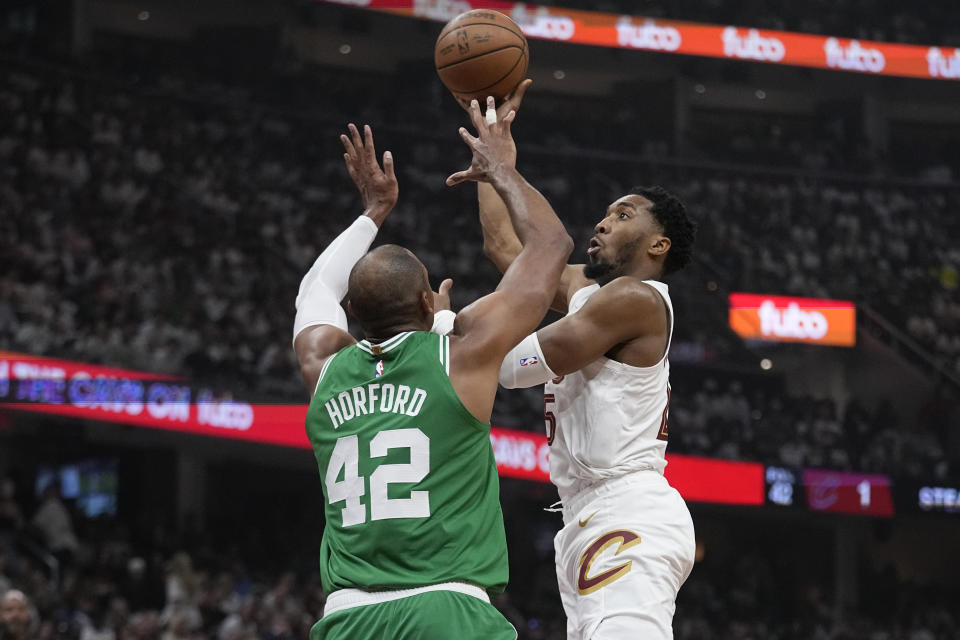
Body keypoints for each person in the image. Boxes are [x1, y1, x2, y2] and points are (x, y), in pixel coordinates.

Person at [292, 102, 573, 640]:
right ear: (428, 302)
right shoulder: (462, 351)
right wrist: (501, 169)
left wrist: (373, 210)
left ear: (352, 316)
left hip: (347, 617)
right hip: (447, 611)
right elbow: (552, 246)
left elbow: (315, 288)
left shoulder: (323, 366)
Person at [475, 83, 698, 639]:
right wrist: (490, 160)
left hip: (628, 512)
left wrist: (454, 332)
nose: (602, 223)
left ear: (658, 245)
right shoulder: (594, 295)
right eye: (604, 213)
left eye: (622, 216)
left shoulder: (634, 300)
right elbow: (508, 250)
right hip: (584, 514)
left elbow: (512, 368)